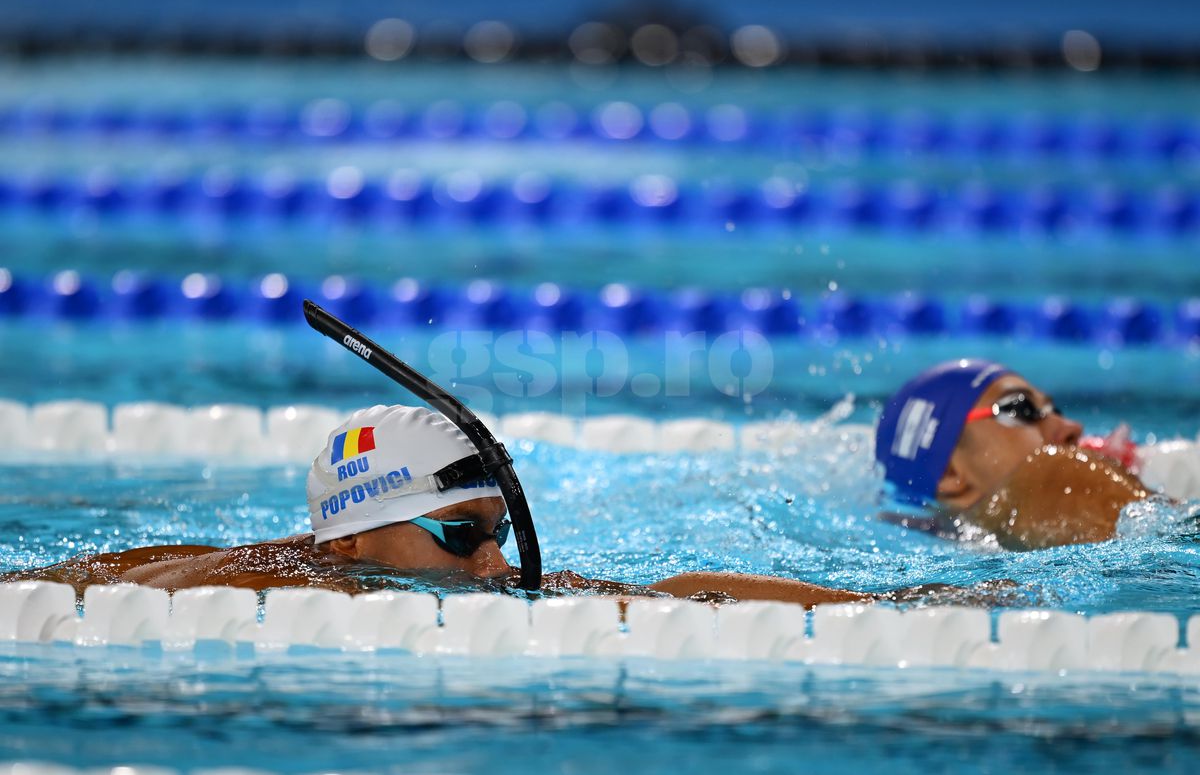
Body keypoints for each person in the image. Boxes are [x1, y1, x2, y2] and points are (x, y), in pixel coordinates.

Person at [8, 403, 911, 608]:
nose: (493, 560)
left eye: (499, 533)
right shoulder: (302, 584)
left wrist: (879, 607)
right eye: (460, 535)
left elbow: (668, 593)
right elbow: (121, 582)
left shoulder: (377, 559)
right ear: (355, 539)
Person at [875, 359, 1152, 550]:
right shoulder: (1058, 469)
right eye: (1021, 409)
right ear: (950, 473)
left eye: (1055, 410)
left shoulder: (1062, 470)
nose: (1071, 427)